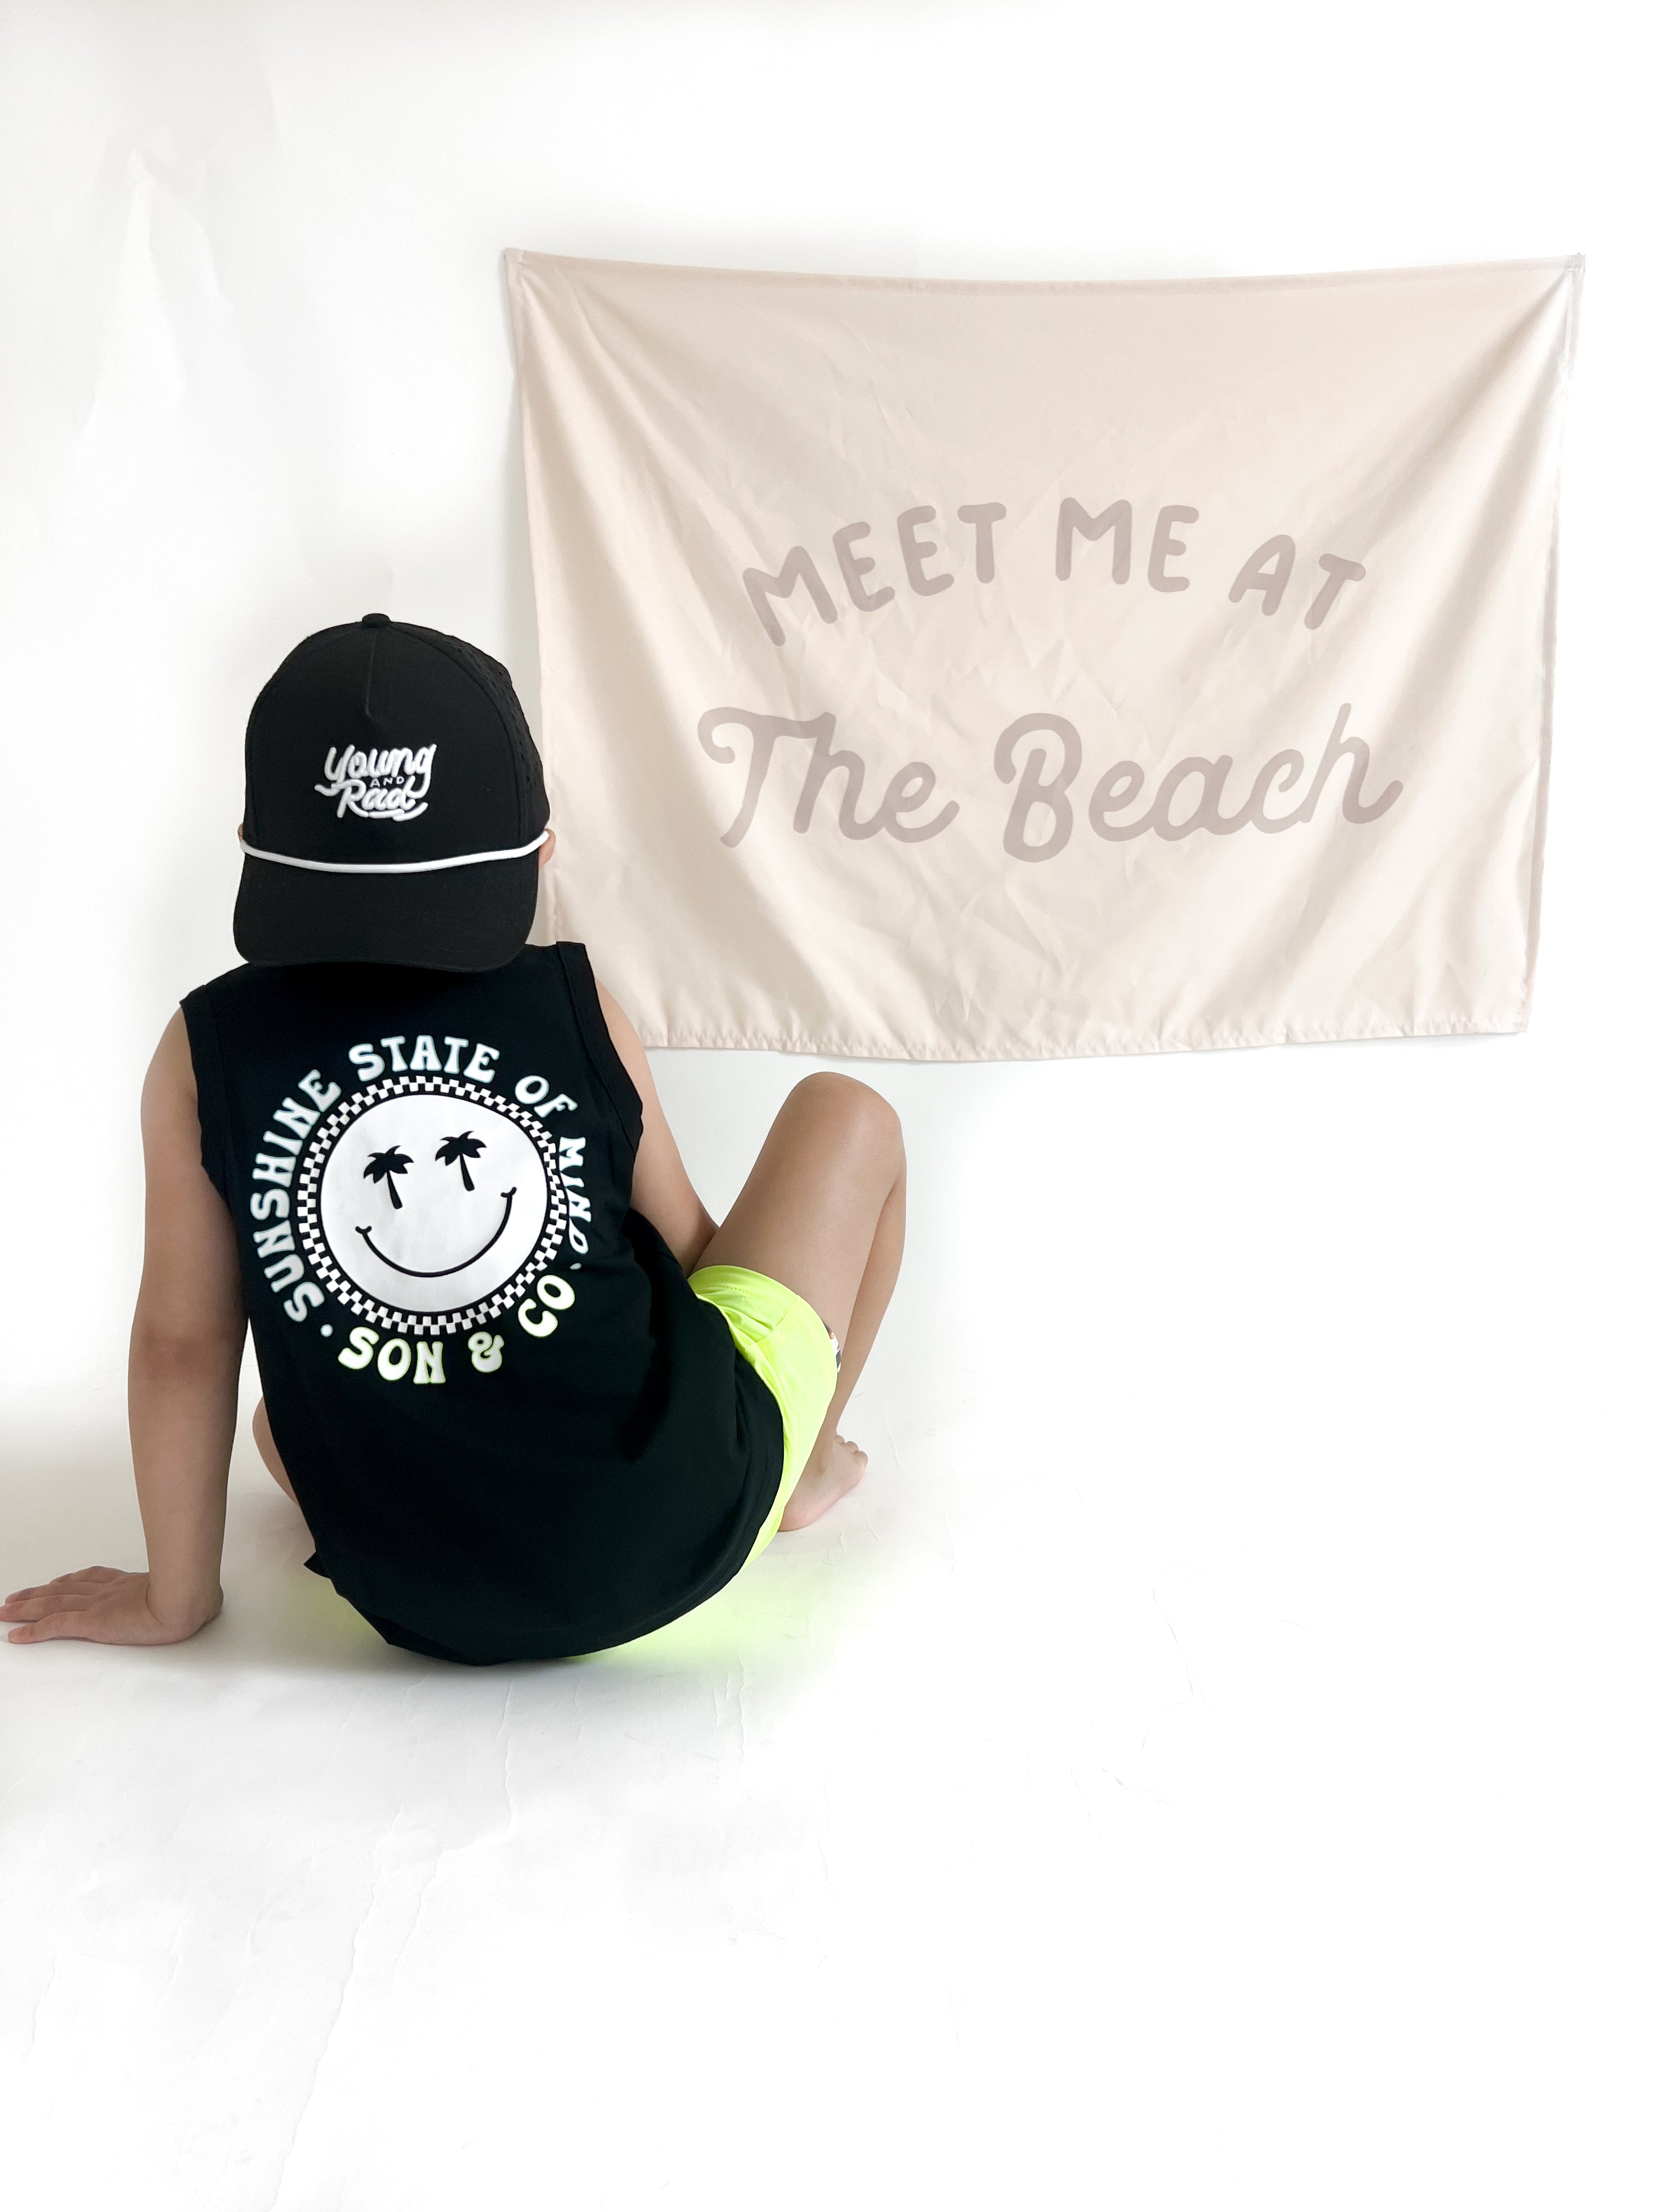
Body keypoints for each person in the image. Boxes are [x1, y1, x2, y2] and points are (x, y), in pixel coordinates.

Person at [2, 616, 904, 1662]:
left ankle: (454, 1516)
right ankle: (809, 1464)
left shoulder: (203, 1048)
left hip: (409, 1589)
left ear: (255, 843)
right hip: (684, 1529)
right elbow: (694, 1256)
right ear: (539, 849)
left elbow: (183, 1343)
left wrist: (174, 1598)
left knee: (278, 1426)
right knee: (849, 1111)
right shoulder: (576, 1001)